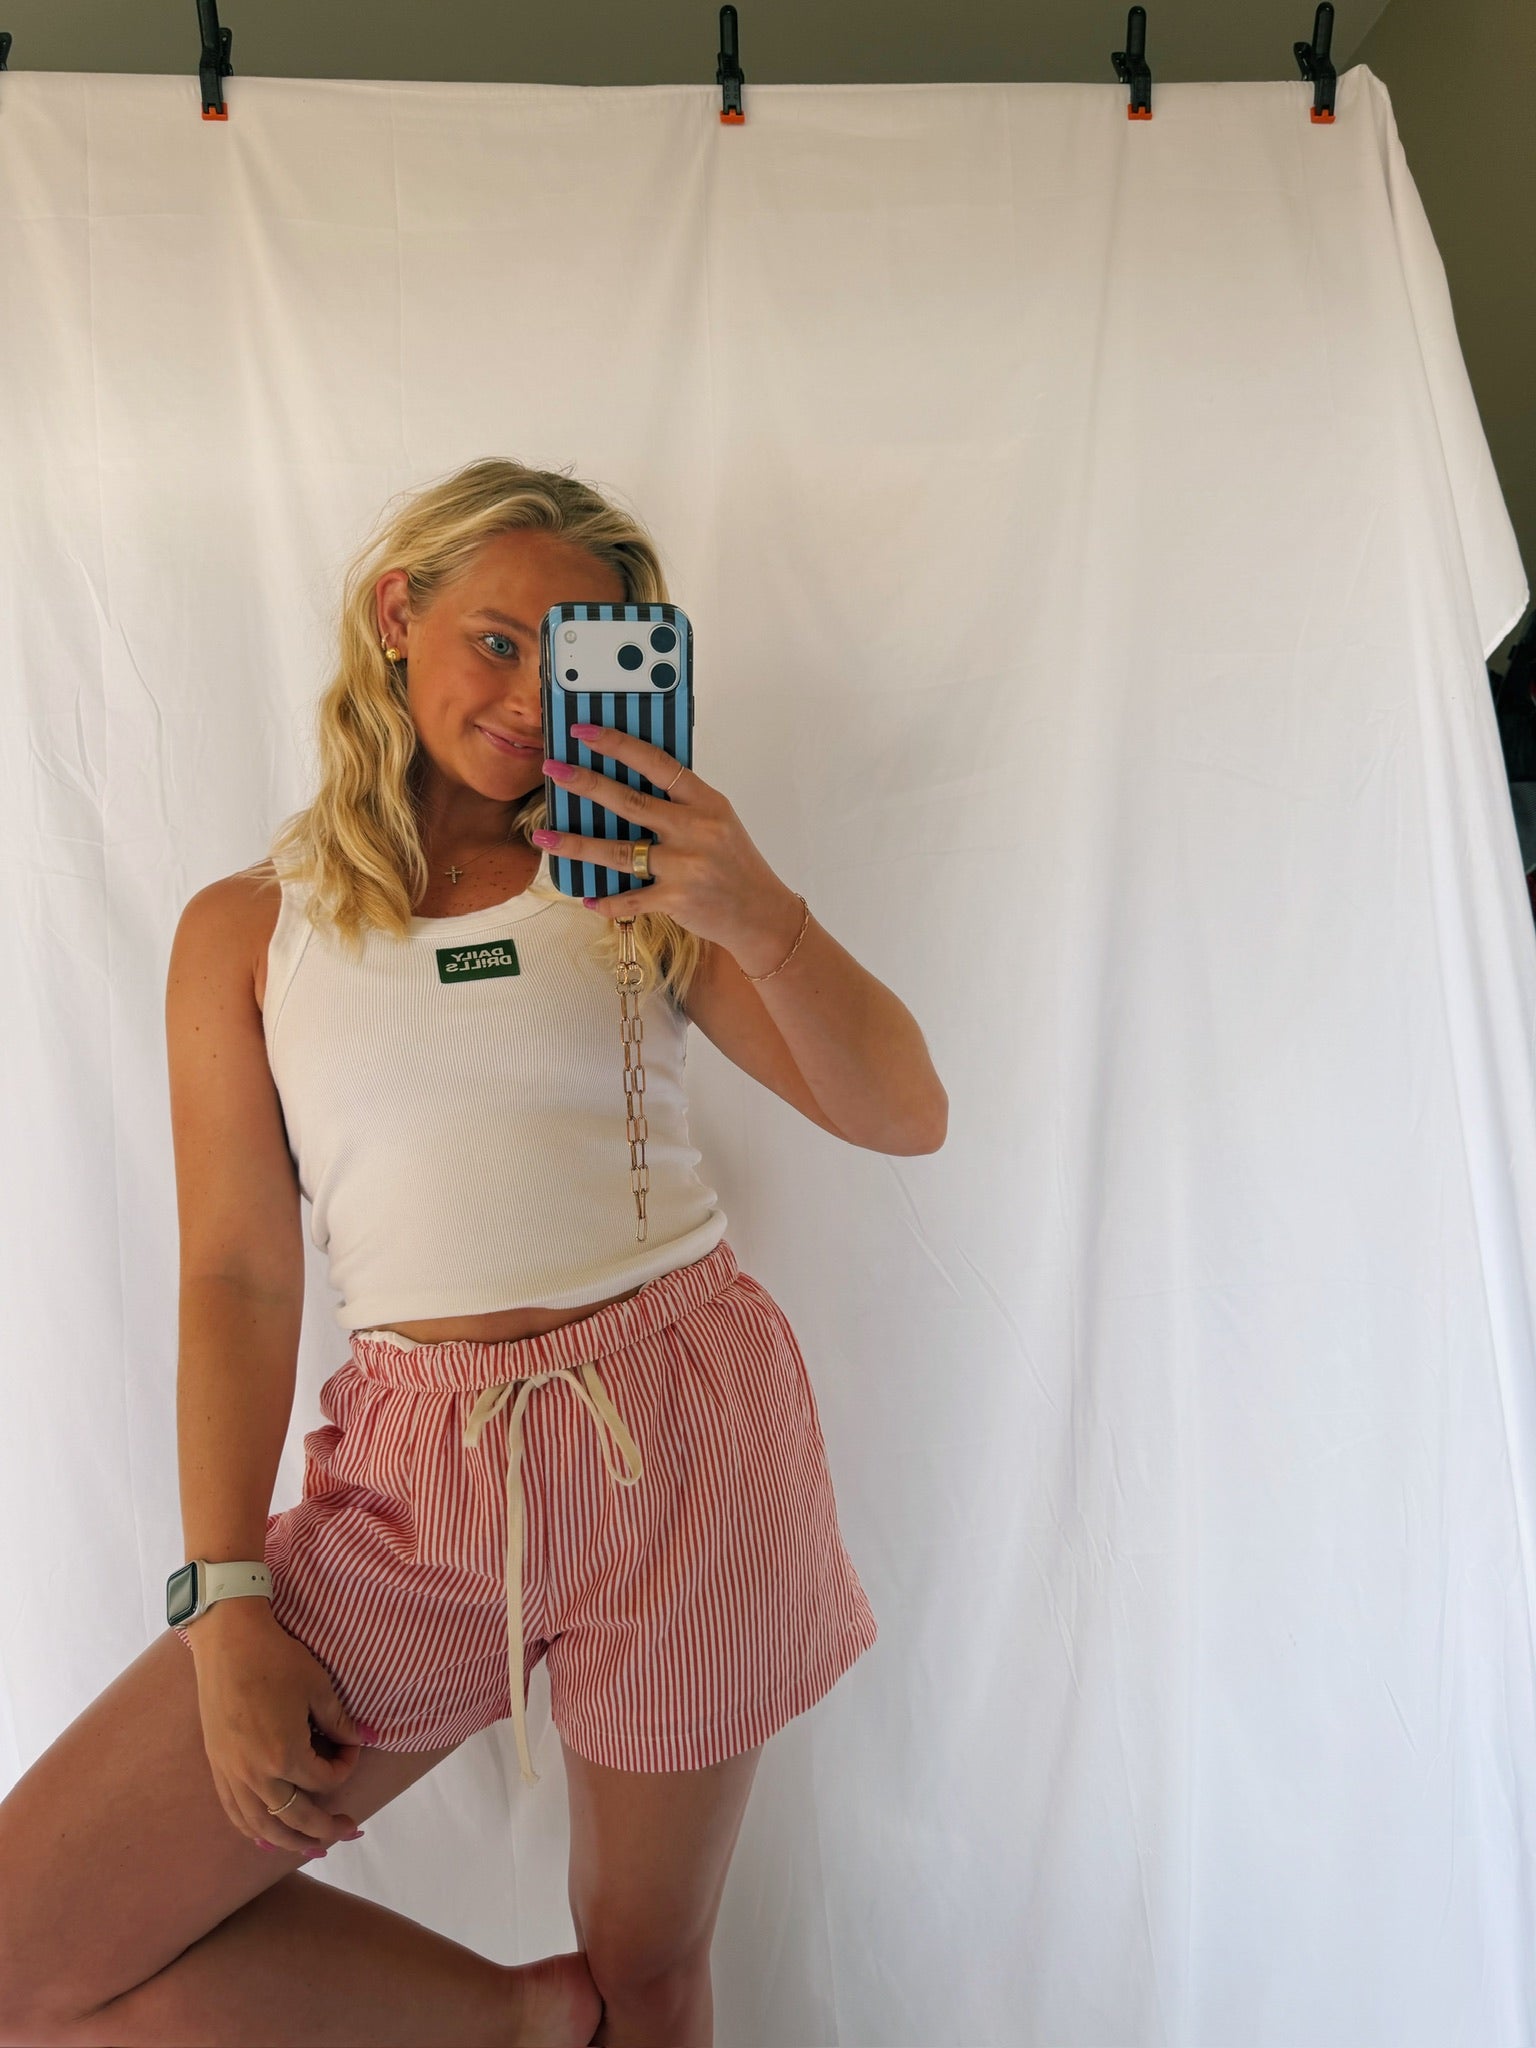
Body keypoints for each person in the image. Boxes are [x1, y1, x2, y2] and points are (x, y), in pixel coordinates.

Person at [0, 457, 948, 2048]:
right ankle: (520, 2026)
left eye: (571, 664)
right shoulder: (250, 932)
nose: (524, 701)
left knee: (654, 1967)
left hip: (689, 1444)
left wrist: (755, 907)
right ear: (399, 615)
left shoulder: (644, 887)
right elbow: (236, 1274)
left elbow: (906, 1113)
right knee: (30, 1957)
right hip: (419, 1488)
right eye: (496, 641)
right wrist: (227, 1604)